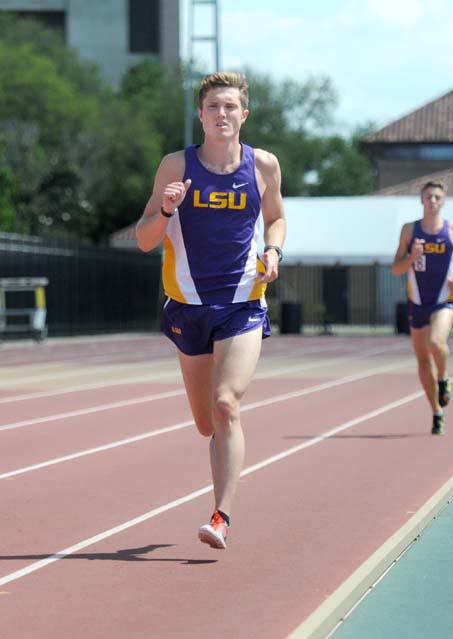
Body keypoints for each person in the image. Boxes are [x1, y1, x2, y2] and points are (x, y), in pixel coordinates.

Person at [136, 71, 286, 549]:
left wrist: (274, 252)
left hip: (242, 301)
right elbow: (143, 240)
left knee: (226, 406)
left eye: (230, 107)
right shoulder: (175, 166)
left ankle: (221, 516)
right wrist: (164, 208)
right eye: (213, 107)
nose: (222, 114)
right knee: (206, 422)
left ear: (245, 114)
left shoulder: (263, 166)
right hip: (188, 306)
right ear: (200, 116)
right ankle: (220, 478)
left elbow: (276, 218)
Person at [392, 181, 453, 435]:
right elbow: (395, 268)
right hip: (418, 300)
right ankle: (436, 412)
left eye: (437, 197)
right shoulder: (409, 230)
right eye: (428, 197)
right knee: (422, 360)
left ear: (443, 201)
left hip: (445, 298)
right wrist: (411, 257)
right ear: (421, 200)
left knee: (436, 343)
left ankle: (443, 378)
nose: (432, 201)